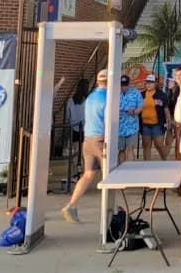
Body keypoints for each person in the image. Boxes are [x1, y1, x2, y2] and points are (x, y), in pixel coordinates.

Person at [61, 68, 107, 223]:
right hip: (101, 140)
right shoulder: (108, 97)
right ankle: (108, 214)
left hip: (87, 139)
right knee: (109, 176)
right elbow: (108, 120)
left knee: (88, 174)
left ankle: (71, 205)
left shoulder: (91, 97)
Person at [137, 74, 171, 160]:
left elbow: (166, 109)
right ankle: (147, 165)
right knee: (146, 145)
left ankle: (164, 159)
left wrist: (169, 121)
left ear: (155, 83)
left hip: (157, 124)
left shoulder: (162, 95)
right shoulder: (141, 95)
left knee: (159, 145)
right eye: (147, 82)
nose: (148, 84)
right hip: (145, 124)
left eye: (151, 82)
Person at [118, 73, 143, 163]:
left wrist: (134, 112)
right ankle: (121, 170)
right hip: (119, 127)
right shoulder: (116, 92)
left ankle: (130, 170)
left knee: (130, 148)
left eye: (125, 85)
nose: (123, 87)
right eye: (121, 85)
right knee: (121, 149)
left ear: (129, 84)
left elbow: (140, 107)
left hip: (132, 126)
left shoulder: (136, 93)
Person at [65, 78, 88, 175]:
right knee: (83, 153)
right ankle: (83, 172)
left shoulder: (71, 100)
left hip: (74, 128)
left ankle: (74, 172)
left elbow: (67, 115)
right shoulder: (87, 101)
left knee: (75, 151)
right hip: (85, 129)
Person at [164, 79, 180, 153]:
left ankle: (178, 156)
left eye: (171, 81)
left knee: (178, 138)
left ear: (176, 83)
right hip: (170, 117)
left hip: (178, 118)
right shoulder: (168, 93)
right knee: (168, 139)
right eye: (169, 81)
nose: (169, 83)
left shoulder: (180, 93)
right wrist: (169, 119)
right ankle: (165, 158)